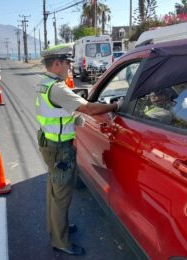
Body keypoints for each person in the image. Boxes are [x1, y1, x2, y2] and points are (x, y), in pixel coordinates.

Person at [35, 44, 121, 256]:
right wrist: (116, 106)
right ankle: (60, 241)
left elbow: (60, 113)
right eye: (67, 64)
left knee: (54, 191)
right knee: (62, 194)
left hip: (49, 142)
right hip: (59, 147)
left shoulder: (45, 83)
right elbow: (89, 108)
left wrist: (75, 120)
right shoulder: (58, 88)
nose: (70, 68)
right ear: (57, 64)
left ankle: (55, 228)